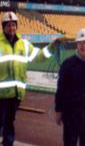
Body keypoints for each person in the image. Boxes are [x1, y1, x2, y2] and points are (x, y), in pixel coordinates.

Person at [0, 11, 55, 146]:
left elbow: (39, 56)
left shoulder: (24, 44)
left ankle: (8, 144)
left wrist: (51, 47)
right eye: (9, 25)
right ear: (3, 27)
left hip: (15, 95)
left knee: (9, 122)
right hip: (0, 95)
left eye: (14, 25)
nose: (12, 28)